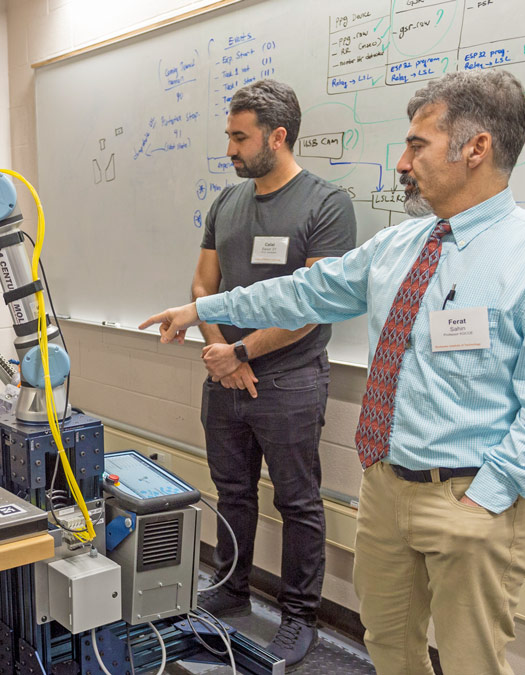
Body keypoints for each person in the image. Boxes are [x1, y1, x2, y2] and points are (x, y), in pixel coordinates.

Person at [141, 70, 525, 675]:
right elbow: (306, 291)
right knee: (388, 648)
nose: (403, 162)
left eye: (418, 145)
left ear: (476, 148)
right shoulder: (401, 245)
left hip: (472, 500)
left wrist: (483, 503)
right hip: (386, 492)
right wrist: (203, 309)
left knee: (472, 663)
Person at [191, 79, 356, 668]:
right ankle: (232, 588)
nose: (230, 149)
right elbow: (201, 287)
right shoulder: (226, 203)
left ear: (277, 136)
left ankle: (298, 619)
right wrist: (218, 352)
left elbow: (312, 307)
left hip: (288, 382)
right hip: (224, 377)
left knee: (297, 502)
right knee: (231, 492)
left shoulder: (325, 203)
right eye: (229, 136)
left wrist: (241, 354)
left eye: (240, 137)